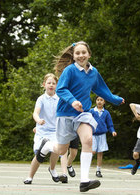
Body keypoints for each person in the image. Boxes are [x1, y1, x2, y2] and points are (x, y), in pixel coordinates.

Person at [33, 41, 124, 192]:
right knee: (61, 150)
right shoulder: (69, 71)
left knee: (88, 139)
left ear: (89, 54)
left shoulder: (94, 72)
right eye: (77, 53)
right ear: (73, 56)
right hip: (65, 113)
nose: (81, 55)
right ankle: (47, 145)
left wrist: (115, 99)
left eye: (84, 52)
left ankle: (84, 181)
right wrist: (73, 101)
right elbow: (61, 89)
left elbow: (101, 89)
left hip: (83, 113)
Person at [24, 73, 68, 184]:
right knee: (39, 153)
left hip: (55, 132)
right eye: (49, 83)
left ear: (57, 85)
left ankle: (52, 169)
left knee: (56, 150)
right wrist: (38, 121)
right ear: (44, 84)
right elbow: (35, 113)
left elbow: (63, 115)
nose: (51, 85)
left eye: (53, 83)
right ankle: (30, 177)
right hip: (42, 132)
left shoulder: (59, 99)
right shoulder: (41, 99)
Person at [90, 96, 117, 178]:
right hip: (93, 134)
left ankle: (98, 170)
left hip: (102, 135)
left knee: (100, 153)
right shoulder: (91, 111)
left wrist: (112, 131)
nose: (99, 101)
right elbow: (87, 121)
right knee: (92, 151)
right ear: (95, 101)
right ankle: (86, 167)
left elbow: (110, 124)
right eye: (98, 100)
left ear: (104, 102)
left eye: (101, 100)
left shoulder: (106, 113)